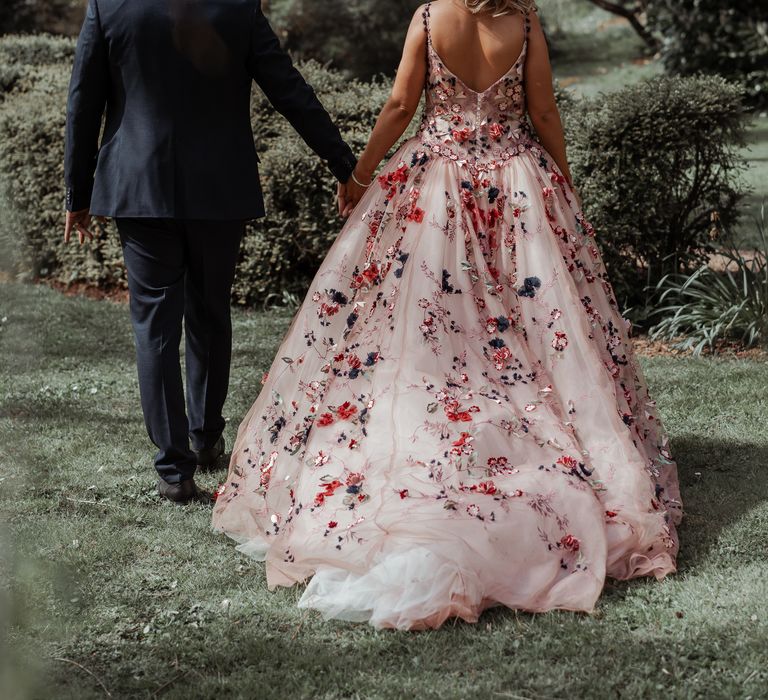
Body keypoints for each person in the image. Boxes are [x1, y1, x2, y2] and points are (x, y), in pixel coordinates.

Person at [213, 0, 684, 630]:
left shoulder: (432, 18)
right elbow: (542, 111)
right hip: (517, 186)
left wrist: (359, 172)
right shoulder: (524, 20)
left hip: (433, 184)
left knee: (424, 329)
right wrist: (561, 188)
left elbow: (401, 106)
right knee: (529, 329)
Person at [63, 0, 357, 504]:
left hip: (140, 188)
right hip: (219, 189)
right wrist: (345, 165)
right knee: (209, 313)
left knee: (154, 326)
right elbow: (289, 90)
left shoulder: (108, 6)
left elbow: (83, 102)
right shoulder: (238, 7)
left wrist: (77, 193)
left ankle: (174, 470)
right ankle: (205, 437)